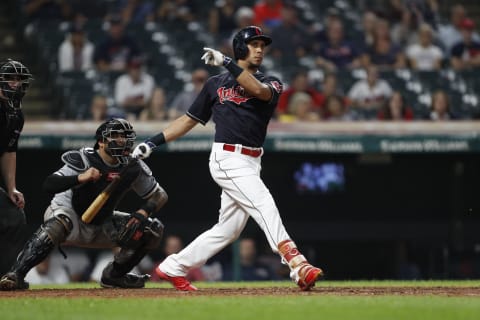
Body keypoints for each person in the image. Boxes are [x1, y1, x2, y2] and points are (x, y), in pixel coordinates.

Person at [132, 26, 323, 291]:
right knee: (263, 202)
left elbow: (259, 91)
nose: (259, 50)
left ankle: (172, 266)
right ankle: (297, 263)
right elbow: (188, 120)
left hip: (252, 161)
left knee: (228, 230)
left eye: (262, 46)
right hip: (227, 157)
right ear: (241, 47)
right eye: (254, 44)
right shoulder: (214, 84)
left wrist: (226, 62)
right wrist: (152, 142)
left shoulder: (273, 81)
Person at [0, 118, 167, 290]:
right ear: (101, 142)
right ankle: (16, 275)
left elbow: (160, 195)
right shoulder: (85, 158)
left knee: (152, 230)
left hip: (103, 223)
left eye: (125, 136)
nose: (122, 141)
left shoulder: (133, 165)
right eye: (116, 136)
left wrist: (142, 213)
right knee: (59, 223)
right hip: (69, 215)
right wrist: (80, 177)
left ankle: (114, 276)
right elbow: (49, 184)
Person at [0, 59, 33, 275]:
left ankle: (7, 277)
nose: (15, 83)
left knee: (14, 217)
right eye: (10, 78)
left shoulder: (15, 115)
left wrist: (11, 188)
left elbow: (9, 150)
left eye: (18, 79)